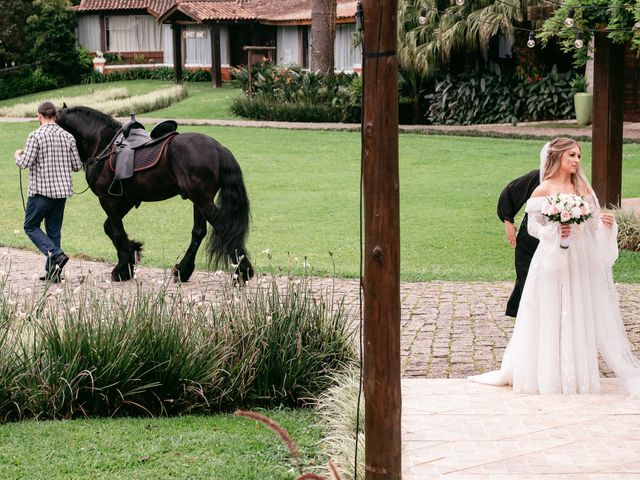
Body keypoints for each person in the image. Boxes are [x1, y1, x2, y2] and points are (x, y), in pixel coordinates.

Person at [470, 137, 640, 394]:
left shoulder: (582, 186)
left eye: (579, 156)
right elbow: (533, 225)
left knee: (577, 309)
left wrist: (606, 225)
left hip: (579, 260)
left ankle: (575, 374)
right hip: (550, 258)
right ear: (558, 157)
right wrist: (555, 232)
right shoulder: (544, 188)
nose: (577, 161)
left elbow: (592, 221)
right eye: (572, 155)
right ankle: (545, 373)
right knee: (547, 309)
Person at [15, 101, 82, 282]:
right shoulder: (68, 137)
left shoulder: (35, 136)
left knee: (30, 226)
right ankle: (54, 274)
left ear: (39, 116)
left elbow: (25, 163)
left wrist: (17, 155)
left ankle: (56, 254)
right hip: (61, 194)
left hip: (40, 193)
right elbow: (77, 166)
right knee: (53, 232)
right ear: (55, 116)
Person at [497, 169, 540, 317]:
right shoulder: (537, 177)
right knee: (528, 276)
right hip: (529, 240)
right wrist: (508, 220)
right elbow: (510, 192)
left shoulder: (573, 182)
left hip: (557, 239)